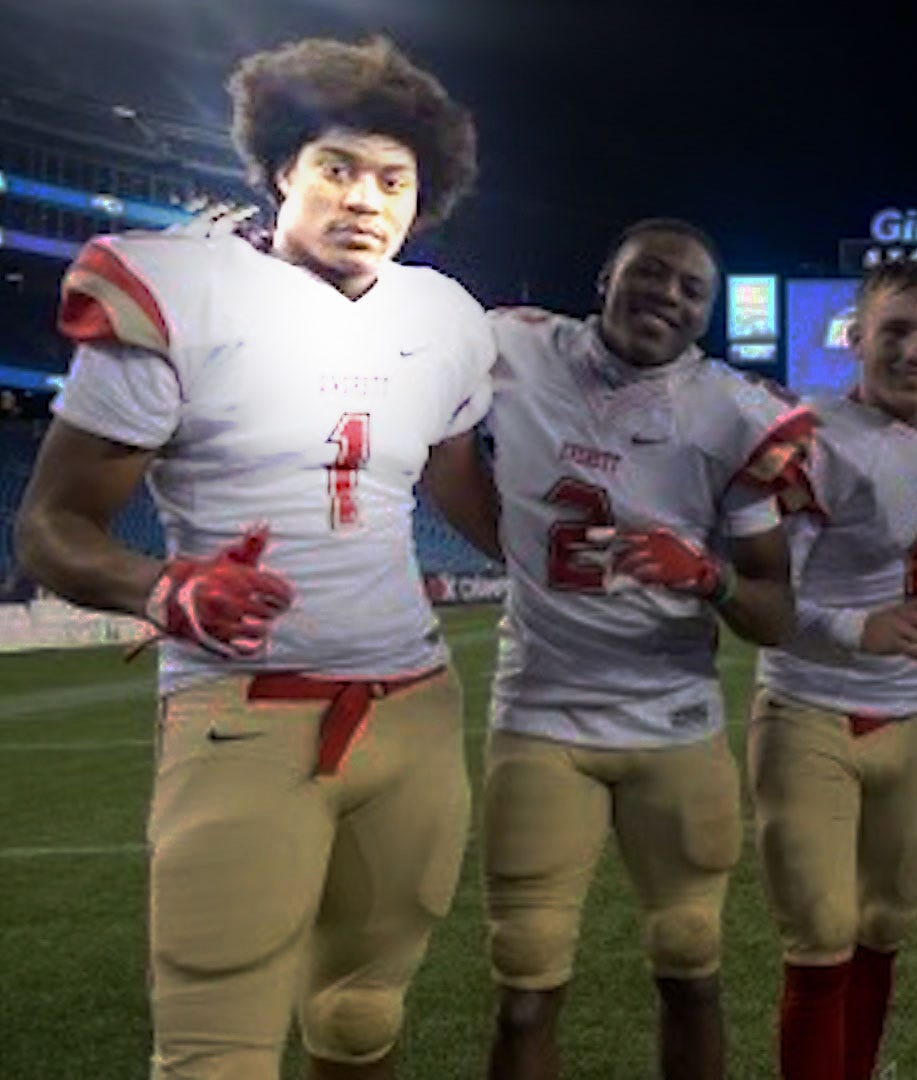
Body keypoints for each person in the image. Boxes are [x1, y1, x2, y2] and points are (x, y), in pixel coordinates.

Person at [12, 36, 493, 1078]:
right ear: (282, 169)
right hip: (244, 711)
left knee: (364, 1019)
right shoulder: (188, 288)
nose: (366, 197)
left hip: (414, 710)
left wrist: (568, 554)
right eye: (338, 167)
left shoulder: (444, 316)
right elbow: (51, 524)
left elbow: (462, 479)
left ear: (425, 197)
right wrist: (162, 584)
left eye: (393, 178)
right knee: (213, 1050)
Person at [481, 219, 815, 1080]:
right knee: (523, 982)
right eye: (651, 273)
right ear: (605, 276)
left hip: (673, 720)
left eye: (691, 289)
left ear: (707, 313)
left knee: (691, 962)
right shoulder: (511, 346)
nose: (667, 294)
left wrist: (707, 577)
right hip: (541, 714)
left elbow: (773, 613)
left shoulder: (733, 412)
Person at [750, 260, 917, 1080]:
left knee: (885, 926)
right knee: (821, 936)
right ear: (855, 337)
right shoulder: (815, 441)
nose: (915, 350)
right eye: (894, 330)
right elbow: (759, 598)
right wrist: (855, 626)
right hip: (810, 709)